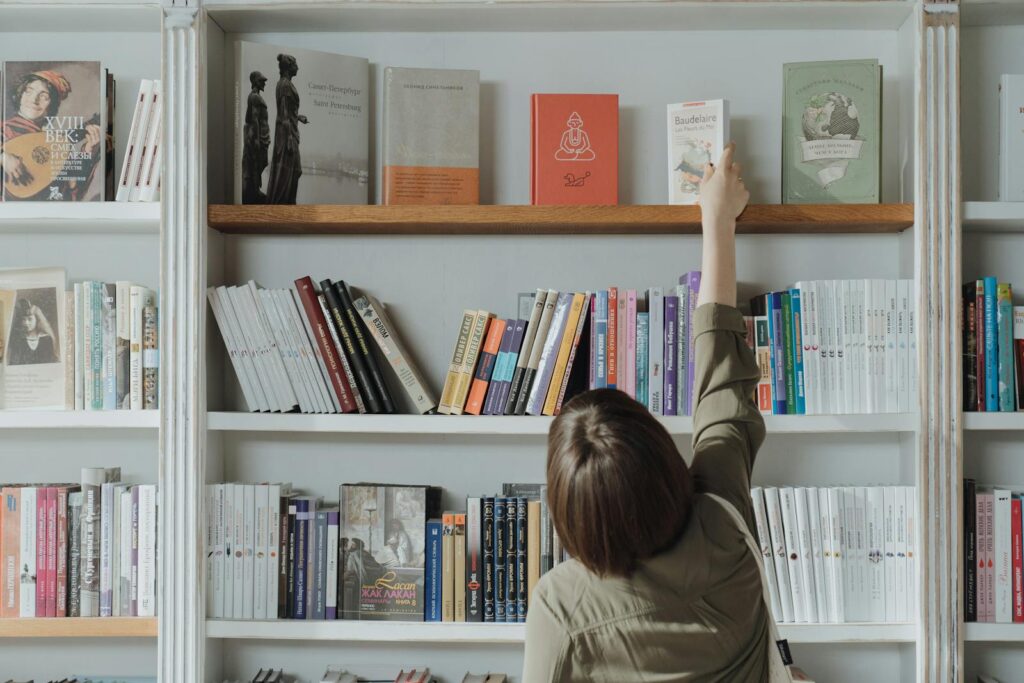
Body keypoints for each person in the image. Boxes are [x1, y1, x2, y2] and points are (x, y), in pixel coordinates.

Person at [522, 143, 774, 681]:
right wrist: (718, 221)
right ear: (662, 456)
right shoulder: (722, 522)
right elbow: (720, 380)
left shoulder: (561, 606)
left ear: (570, 513)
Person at [2, 69, 102, 200]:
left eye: (44, 96)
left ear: (52, 105)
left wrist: (88, 152)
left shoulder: (56, 145)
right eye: (28, 91)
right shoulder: (3, 127)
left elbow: (71, 195)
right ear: (20, 94)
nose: (34, 100)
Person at [266, 54, 307, 205]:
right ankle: (283, 204)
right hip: (286, 134)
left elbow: (287, 112)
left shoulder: (284, 84)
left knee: (292, 170)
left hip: (287, 131)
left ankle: (288, 203)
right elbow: (283, 115)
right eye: (296, 65)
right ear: (289, 67)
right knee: (290, 171)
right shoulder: (285, 85)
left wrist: (298, 117)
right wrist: (289, 138)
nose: (298, 68)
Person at [242, 70, 271, 204]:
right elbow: (254, 118)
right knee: (256, 163)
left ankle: (254, 189)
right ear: (255, 82)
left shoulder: (256, 96)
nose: (264, 83)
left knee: (260, 163)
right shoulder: (254, 97)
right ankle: (253, 191)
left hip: (263, 137)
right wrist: (257, 139)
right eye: (261, 81)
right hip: (258, 137)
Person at [6, 297, 59, 366]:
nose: (26, 323)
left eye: (30, 319)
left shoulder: (46, 339)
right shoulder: (18, 340)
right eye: (23, 320)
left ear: (37, 320)